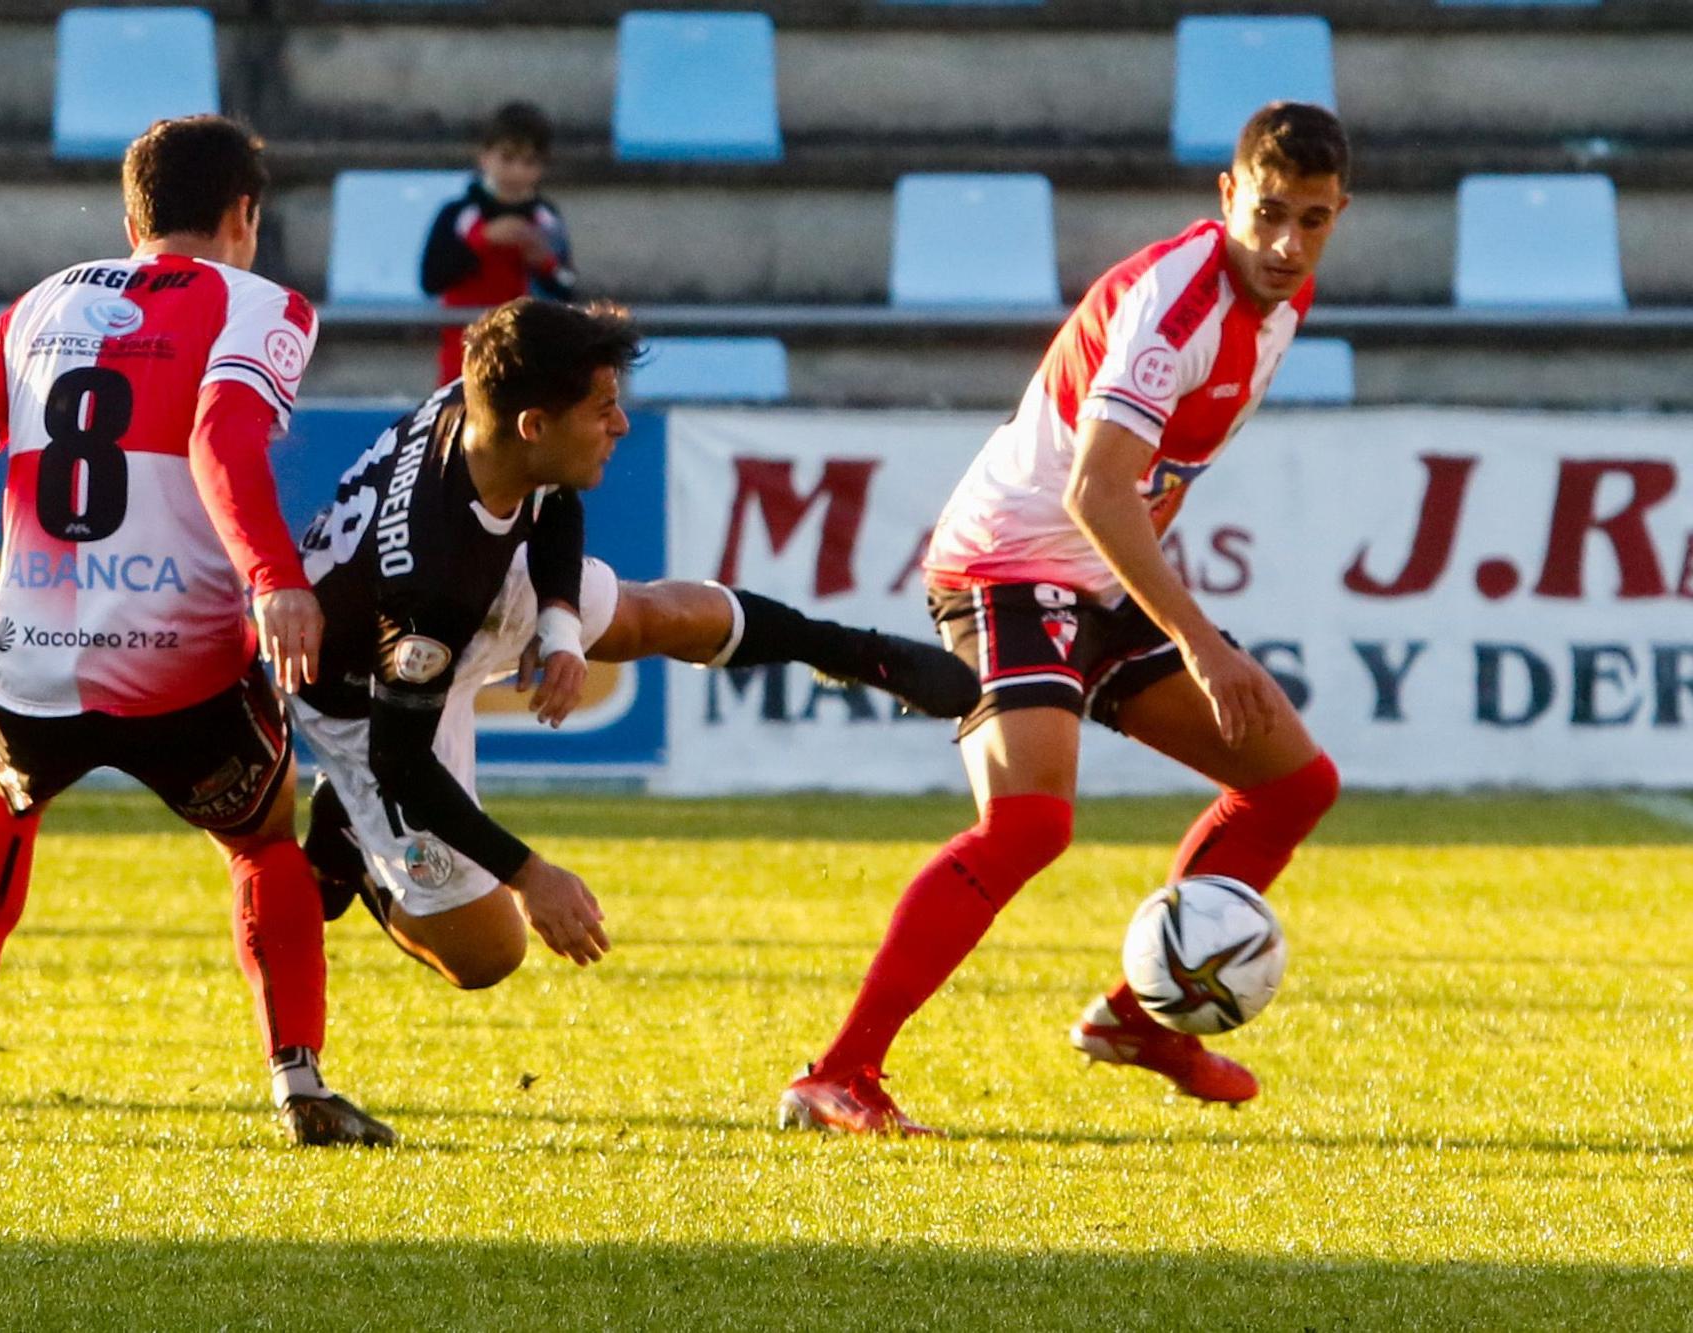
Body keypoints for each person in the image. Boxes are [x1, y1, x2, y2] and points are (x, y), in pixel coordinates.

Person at [777, 102, 1351, 1135]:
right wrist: (1198, 638)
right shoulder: (1172, 309)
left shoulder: (1281, 297)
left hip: (1096, 576)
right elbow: (1095, 491)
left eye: (1310, 220)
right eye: (1266, 213)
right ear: (1226, 195)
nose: (1284, 243)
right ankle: (838, 1072)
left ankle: (1139, 1017)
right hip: (1005, 562)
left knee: (1290, 781)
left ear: (1336, 214)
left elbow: (1126, 502)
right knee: (1030, 821)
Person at [0, 115, 394, 1149]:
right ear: (244, 216)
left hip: (36, 652)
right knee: (261, 840)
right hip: (180, 653)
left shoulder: (39, 304)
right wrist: (273, 578)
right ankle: (299, 1081)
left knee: (3, 801)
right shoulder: (260, 303)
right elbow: (219, 433)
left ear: (132, 217)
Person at [287, 297, 979, 991]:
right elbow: (400, 759)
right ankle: (348, 834)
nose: (620, 424)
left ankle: (856, 652)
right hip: (363, 699)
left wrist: (559, 625)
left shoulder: (493, 408)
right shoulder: (429, 577)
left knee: (657, 614)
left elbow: (553, 489)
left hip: (467, 593)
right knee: (489, 952)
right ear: (535, 425)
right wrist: (533, 876)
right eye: (602, 410)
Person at [420, 101, 577, 387]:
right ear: (485, 157)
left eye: (529, 162)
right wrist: (484, 242)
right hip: (463, 357)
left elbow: (567, 287)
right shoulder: (458, 215)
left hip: (528, 358)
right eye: (507, 158)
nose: (517, 171)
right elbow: (432, 278)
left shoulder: (546, 220)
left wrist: (543, 262)